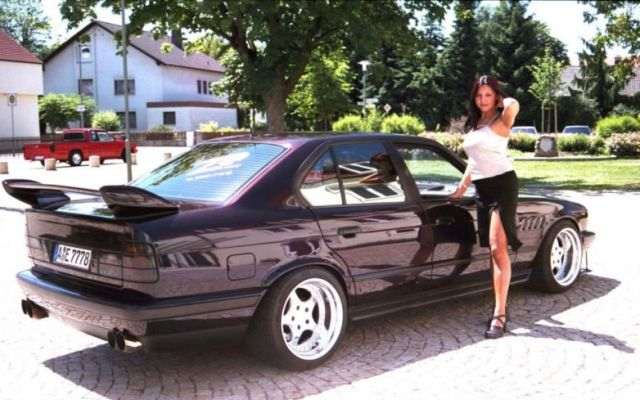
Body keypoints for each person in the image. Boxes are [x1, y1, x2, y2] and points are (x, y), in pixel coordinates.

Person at [450, 74, 523, 339]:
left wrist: (505, 101)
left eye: (488, 95)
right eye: (479, 95)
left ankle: (499, 315)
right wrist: (460, 189)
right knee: (492, 251)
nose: (483, 100)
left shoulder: (501, 120)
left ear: (496, 97)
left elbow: (514, 105)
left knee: (497, 247)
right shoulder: (475, 124)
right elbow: (474, 160)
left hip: (503, 186)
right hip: (482, 189)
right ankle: (499, 304)